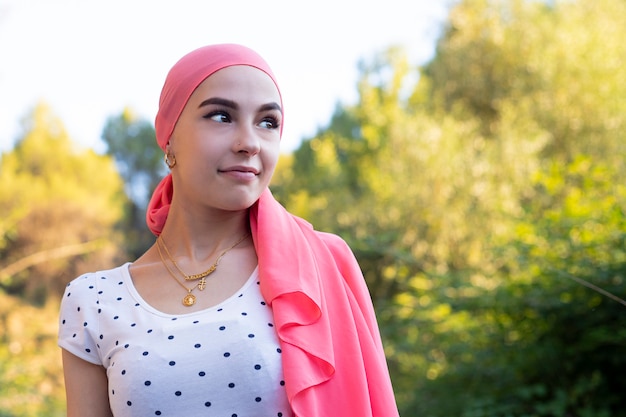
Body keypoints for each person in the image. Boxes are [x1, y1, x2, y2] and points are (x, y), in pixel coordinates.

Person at [58, 43, 399, 417]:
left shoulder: (322, 265)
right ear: (168, 136)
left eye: (268, 123)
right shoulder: (94, 300)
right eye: (221, 116)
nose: (249, 143)